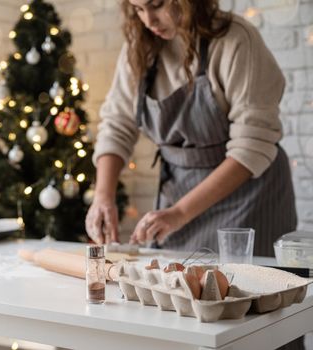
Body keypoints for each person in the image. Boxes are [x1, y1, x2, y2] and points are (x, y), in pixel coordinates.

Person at [86, 0, 300, 348]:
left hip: (250, 196)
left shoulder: (235, 40)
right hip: (177, 195)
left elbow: (251, 147)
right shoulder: (140, 47)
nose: (148, 19)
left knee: (252, 317)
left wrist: (180, 213)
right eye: (137, 9)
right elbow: (117, 125)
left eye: (156, 5)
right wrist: (103, 196)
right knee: (180, 316)